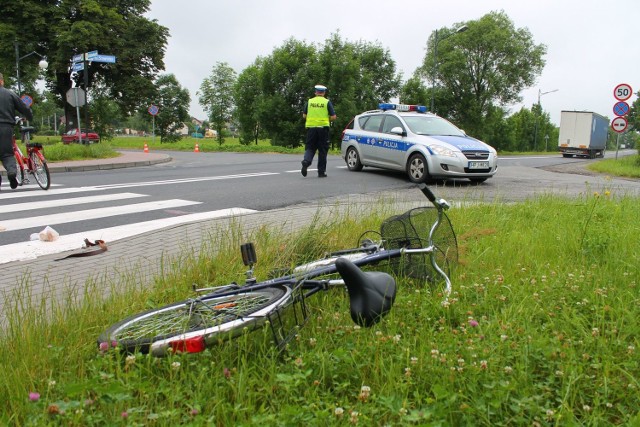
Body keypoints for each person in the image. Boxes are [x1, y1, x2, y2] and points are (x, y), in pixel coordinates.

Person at [0, 72, 33, 190]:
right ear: (2, 81)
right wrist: (29, 117)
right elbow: (24, 107)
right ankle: (11, 172)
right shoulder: (10, 94)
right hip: (5, 127)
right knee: (7, 154)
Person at [301, 84, 337, 178]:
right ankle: (321, 172)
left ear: (315, 92)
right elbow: (333, 117)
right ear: (324, 93)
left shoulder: (310, 102)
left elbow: (304, 116)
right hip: (323, 129)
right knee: (322, 150)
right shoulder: (327, 102)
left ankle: (306, 161)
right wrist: (325, 119)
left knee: (310, 148)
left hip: (311, 129)